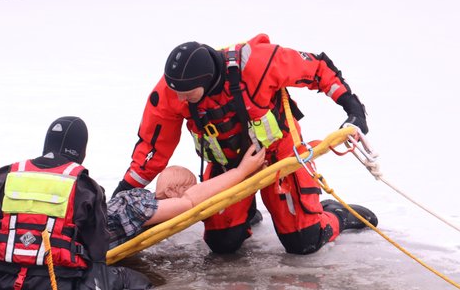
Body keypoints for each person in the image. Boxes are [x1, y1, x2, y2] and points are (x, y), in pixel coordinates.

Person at [112, 34, 378, 255]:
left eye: (186, 94)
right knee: (222, 245)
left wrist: (353, 110)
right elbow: (152, 146)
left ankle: (336, 215)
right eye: (177, 93)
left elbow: (318, 69)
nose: (180, 98)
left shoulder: (259, 64)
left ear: (205, 80)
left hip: (279, 158)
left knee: (304, 242)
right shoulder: (172, 90)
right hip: (227, 168)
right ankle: (244, 214)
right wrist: (122, 193)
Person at [0, 116, 150, 290]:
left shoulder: (3, 176)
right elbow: (97, 250)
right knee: (139, 281)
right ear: (81, 150)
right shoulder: (86, 186)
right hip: (58, 288)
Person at [107, 144, 266, 249]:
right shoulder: (140, 205)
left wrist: (247, 180)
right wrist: (240, 172)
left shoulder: (142, 207)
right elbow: (190, 201)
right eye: (190, 187)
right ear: (170, 192)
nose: (198, 192)